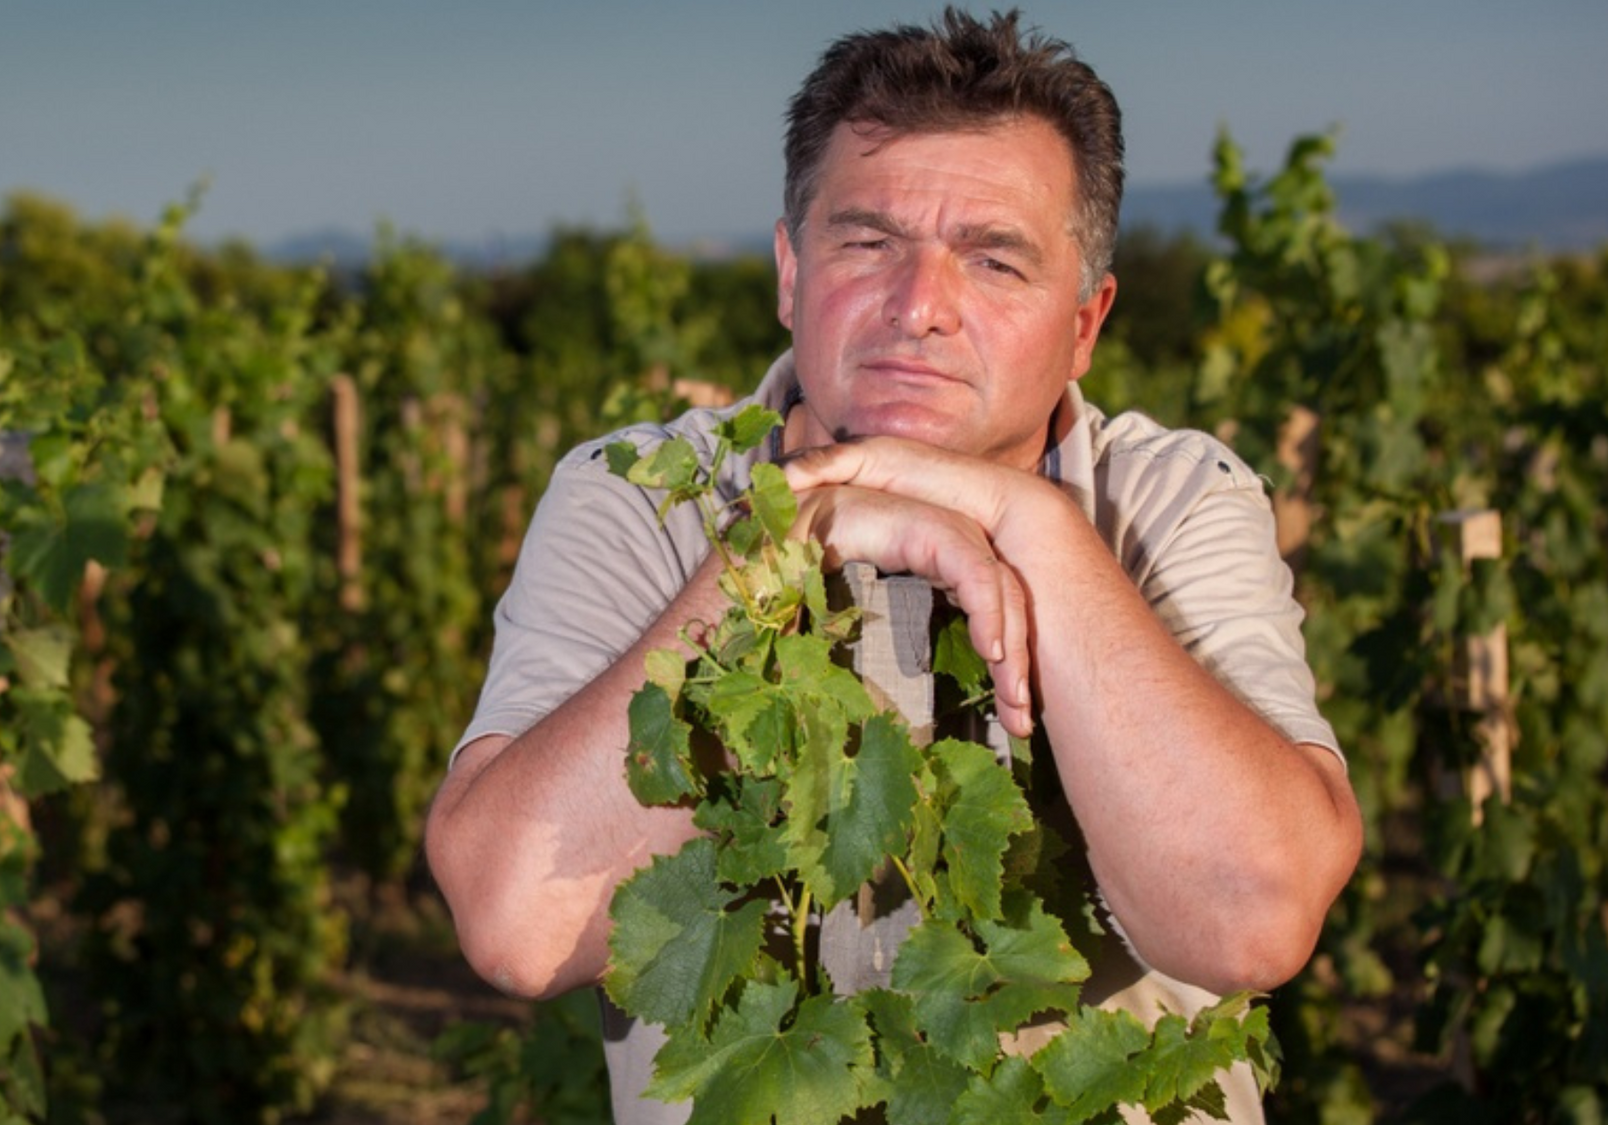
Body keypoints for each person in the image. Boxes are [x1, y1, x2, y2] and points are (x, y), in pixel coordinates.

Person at [426, 7, 1363, 1122]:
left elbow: (1250, 921)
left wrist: (1033, 525)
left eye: (995, 259)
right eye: (867, 243)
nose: (919, 308)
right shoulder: (643, 495)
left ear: (1085, 323)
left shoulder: (1172, 501)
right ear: (789, 273)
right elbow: (517, 926)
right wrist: (776, 545)